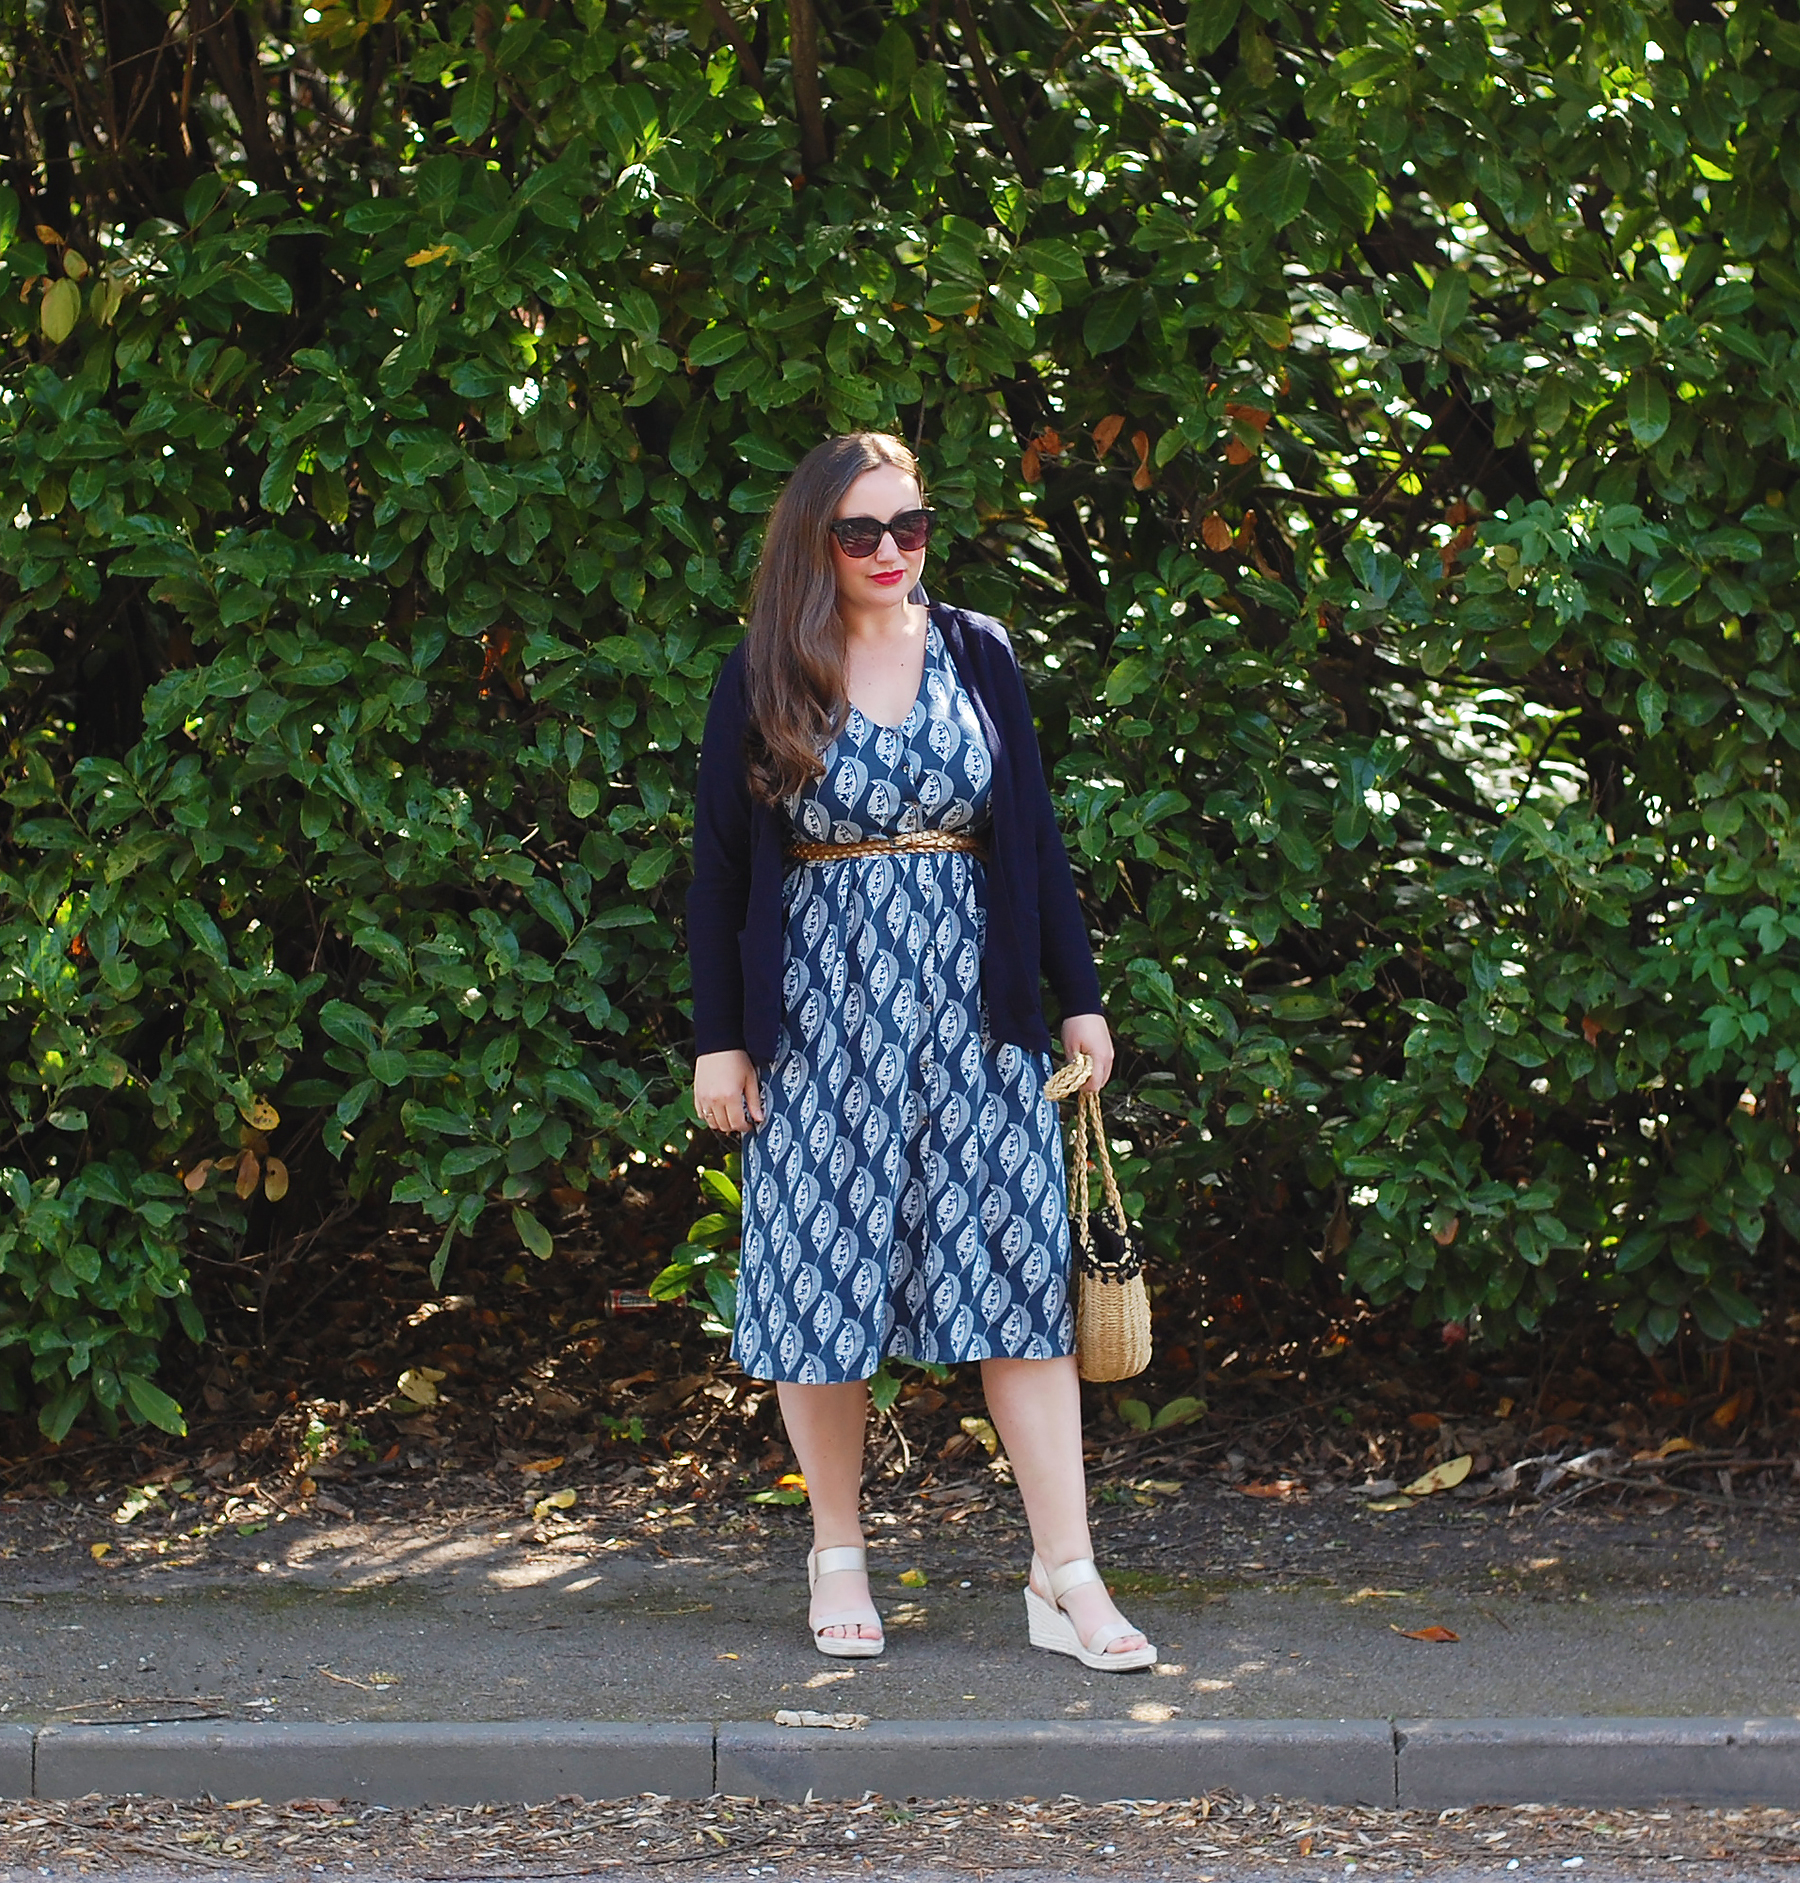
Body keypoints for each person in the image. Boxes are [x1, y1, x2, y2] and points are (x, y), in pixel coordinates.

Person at [685, 431, 1155, 1673]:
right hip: (822, 1019)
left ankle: (1068, 1576)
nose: (891, 551)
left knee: (1018, 1283)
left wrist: (1079, 997)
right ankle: (836, 1551)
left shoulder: (979, 651)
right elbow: (722, 873)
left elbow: (1036, 838)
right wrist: (720, 1040)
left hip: (976, 1012)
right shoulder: (767, 668)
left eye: (912, 526)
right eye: (860, 532)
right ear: (813, 542)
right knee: (820, 1282)